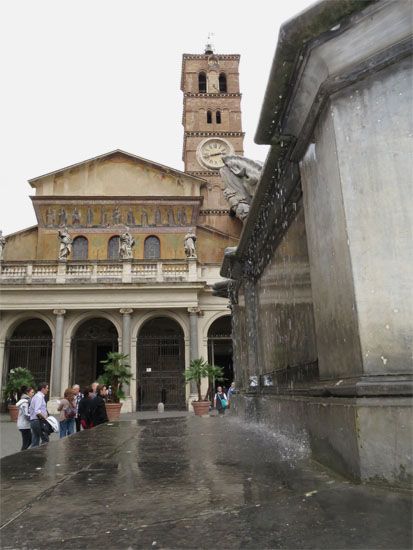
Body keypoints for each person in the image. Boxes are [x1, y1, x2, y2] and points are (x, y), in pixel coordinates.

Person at [29, 382, 49, 447]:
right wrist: (45, 417)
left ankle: (34, 456)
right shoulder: (39, 397)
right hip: (38, 421)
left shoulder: (37, 396)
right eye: (47, 388)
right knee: (45, 439)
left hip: (34, 421)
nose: (47, 390)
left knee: (35, 441)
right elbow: (37, 411)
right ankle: (42, 455)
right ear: (43, 389)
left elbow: (32, 409)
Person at [16, 386, 34, 450]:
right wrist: (33, 418)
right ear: (27, 393)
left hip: (25, 425)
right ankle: (20, 456)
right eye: (32, 392)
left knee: (30, 440)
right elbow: (26, 414)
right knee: (26, 443)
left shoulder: (26, 401)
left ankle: (22, 454)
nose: (33, 394)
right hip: (24, 425)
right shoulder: (25, 402)